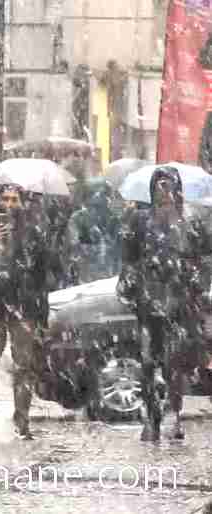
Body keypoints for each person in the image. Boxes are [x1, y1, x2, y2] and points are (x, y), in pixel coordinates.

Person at [117, 165, 212, 441]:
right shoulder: (139, 221)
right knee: (148, 362)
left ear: (176, 188)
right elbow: (128, 259)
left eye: (168, 183)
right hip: (149, 303)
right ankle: (151, 417)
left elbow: (205, 258)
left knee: (175, 362)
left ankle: (174, 413)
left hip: (180, 302)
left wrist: (193, 278)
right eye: (159, 184)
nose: (164, 189)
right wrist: (131, 283)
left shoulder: (190, 222)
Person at [0, 184, 50, 440]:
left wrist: (41, 313)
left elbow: (41, 273)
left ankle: (22, 419)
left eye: (15, 199)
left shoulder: (33, 232)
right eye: (6, 198)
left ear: (23, 202)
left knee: (23, 366)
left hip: (23, 308)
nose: (10, 204)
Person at [65, 178, 122, 285]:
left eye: (105, 195)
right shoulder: (78, 218)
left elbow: (118, 250)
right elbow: (74, 245)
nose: (103, 199)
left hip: (109, 276)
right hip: (87, 277)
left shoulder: (113, 219)